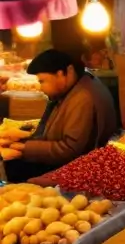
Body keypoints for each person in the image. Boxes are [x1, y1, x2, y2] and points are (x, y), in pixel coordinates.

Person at [0, 49, 117, 181]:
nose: (41, 88)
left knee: (12, 167)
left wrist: (24, 148)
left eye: (42, 81)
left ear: (63, 73)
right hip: (64, 162)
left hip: (75, 170)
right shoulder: (77, 86)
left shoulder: (83, 98)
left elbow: (69, 150)